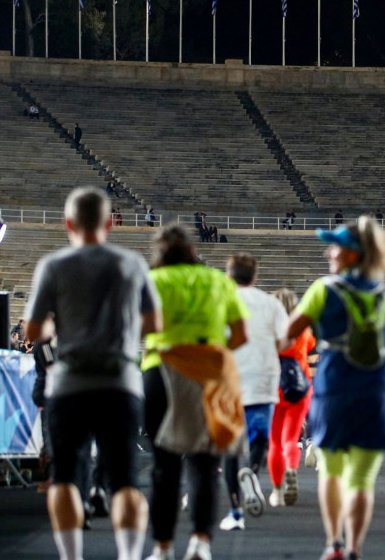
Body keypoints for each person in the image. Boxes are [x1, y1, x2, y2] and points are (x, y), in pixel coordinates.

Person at [22, 187, 161, 560]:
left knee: (66, 477)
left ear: (68, 223)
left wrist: (56, 326)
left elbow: (33, 332)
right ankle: (129, 556)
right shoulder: (132, 264)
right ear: (110, 222)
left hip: (69, 385)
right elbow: (154, 324)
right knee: (125, 482)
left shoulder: (53, 265)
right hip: (120, 383)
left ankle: (72, 557)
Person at [285, 217, 385, 560]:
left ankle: (333, 543)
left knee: (332, 471)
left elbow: (290, 332)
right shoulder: (384, 295)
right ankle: (354, 549)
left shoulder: (325, 289)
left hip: (335, 387)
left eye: (334, 247)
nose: (328, 253)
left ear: (352, 255)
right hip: (378, 390)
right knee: (362, 478)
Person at [142, 227, 249, 560]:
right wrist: (212, 353)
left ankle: (162, 547)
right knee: (205, 463)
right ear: (192, 250)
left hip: (162, 369)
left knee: (164, 465)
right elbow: (241, 335)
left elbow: (143, 327)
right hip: (210, 374)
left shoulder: (154, 281)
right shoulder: (219, 281)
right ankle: (201, 541)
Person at [219, 253, 288, 532]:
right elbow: (285, 340)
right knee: (260, 437)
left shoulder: (221, 301)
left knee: (230, 447)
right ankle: (254, 470)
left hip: (230, 377)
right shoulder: (271, 303)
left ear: (229, 275)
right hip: (264, 375)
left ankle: (236, 511)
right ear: (255, 277)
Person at [268, 288, 314, 507]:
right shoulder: (302, 330)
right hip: (299, 388)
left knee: (274, 441)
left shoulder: (267, 330)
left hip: (272, 388)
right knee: (291, 438)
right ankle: (291, 470)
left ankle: (277, 490)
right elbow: (312, 345)